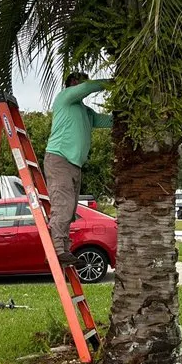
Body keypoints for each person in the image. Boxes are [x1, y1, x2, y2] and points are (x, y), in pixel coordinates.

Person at [44, 72, 113, 266]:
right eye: (82, 81)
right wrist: (112, 83)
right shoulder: (65, 97)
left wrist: (128, 114)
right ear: (73, 83)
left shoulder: (84, 111)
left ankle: (64, 250)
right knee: (63, 205)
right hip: (59, 159)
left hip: (74, 164)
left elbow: (106, 121)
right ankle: (57, 250)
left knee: (70, 209)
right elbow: (87, 88)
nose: (85, 85)